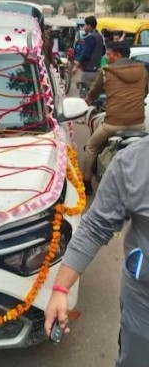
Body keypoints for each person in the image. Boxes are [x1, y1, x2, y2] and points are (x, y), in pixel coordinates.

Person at [44, 134, 149, 366]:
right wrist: (61, 289)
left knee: (92, 146)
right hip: (143, 304)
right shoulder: (132, 163)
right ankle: (87, 177)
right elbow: (95, 226)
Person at [81, 41, 147, 193]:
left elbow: (94, 93)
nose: (106, 56)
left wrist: (87, 100)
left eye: (109, 54)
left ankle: (86, 183)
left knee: (91, 147)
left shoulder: (106, 72)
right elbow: (144, 93)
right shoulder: (143, 70)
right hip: (138, 124)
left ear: (117, 55)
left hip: (113, 124)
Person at [72, 16, 105, 89]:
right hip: (97, 69)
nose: (84, 27)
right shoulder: (100, 36)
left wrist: (77, 66)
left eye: (85, 25)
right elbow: (103, 51)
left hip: (88, 71)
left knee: (85, 95)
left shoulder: (90, 37)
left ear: (89, 26)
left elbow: (85, 55)